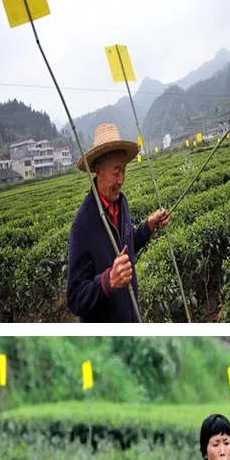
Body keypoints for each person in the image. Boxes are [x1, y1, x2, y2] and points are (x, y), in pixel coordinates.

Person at [66, 123, 170, 322]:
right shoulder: (84, 224)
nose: (121, 179)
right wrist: (108, 280)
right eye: (116, 172)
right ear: (98, 171)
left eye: (124, 170)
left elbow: (125, 247)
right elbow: (75, 298)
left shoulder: (121, 203)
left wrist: (149, 226)